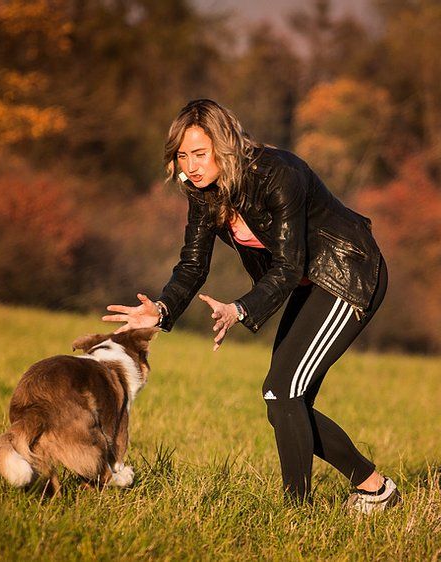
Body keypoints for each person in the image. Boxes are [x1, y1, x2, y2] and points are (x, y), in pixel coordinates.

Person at [102, 99, 399, 513]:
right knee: (282, 403)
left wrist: (239, 309)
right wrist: (162, 310)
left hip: (348, 273)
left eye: (199, 154)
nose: (191, 166)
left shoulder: (279, 174)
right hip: (309, 282)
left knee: (283, 390)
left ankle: (296, 513)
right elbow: (193, 265)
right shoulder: (203, 191)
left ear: (224, 145)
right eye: (183, 156)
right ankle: (375, 489)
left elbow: (289, 265)